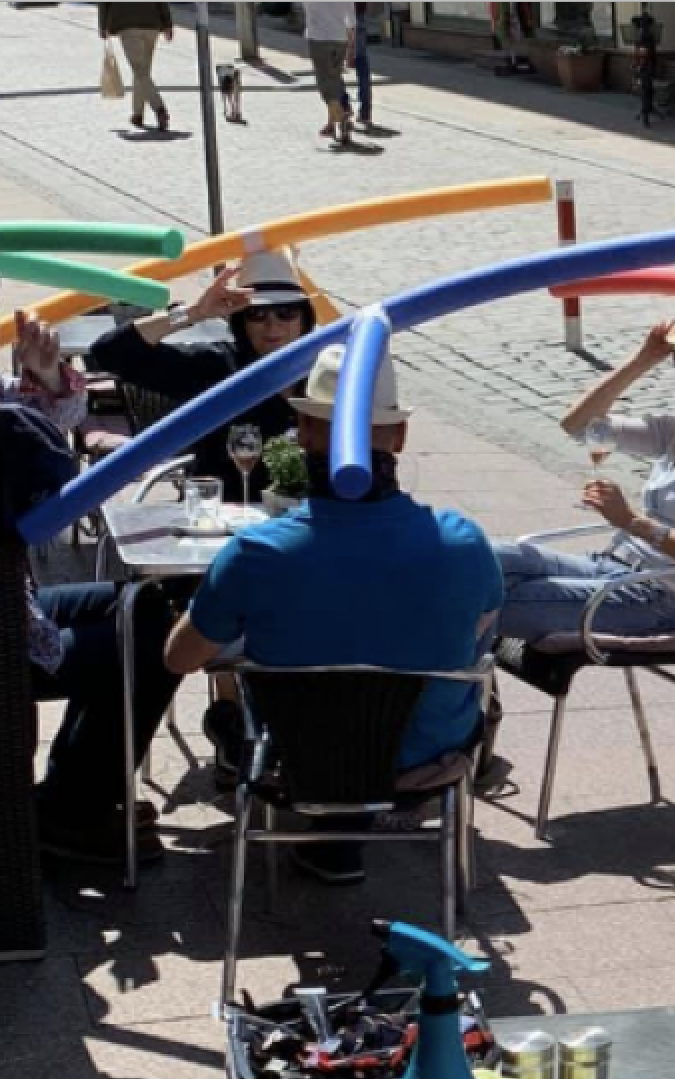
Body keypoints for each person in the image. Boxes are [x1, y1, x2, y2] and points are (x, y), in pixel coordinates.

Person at [163, 346, 503, 884]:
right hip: (427, 759)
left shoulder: (257, 553)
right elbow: (481, 627)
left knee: (229, 708)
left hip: (297, 758)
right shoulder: (464, 543)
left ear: (302, 433)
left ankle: (328, 842)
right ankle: (340, 847)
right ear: (400, 437)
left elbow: (179, 658)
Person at [490, 300, 675, 647]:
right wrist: (643, 359)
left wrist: (631, 522)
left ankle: (453, 695)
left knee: (483, 601)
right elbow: (578, 425)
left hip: (655, 600)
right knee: (486, 558)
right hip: (610, 569)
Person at [1, 404, 183, 864]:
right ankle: (74, 813)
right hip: (10, 642)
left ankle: (73, 792)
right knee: (154, 648)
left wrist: (46, 384)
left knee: (146, 604)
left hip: (19, 610)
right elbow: (34, 648)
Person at [87, 248, 316, 504]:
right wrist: (195, 312)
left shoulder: (330, 370)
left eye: (286, 313)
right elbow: (110, 353)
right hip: (227, 517)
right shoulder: (217, 366)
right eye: (257, 315)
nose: (273, 326)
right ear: (241, 321)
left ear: (304, 319)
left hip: (313, 517)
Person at [100, 2, 173, 133]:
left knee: (140, 72)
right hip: (151, 22)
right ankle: (138, 114)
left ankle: (159, 108)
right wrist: (167, 23)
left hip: (127, 23)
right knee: (142, 72)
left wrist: (103, 25)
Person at [304, 0, 358, 147]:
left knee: (326, 86)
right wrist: (351, 44)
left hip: (319, 39)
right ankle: (333, 124)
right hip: (340, 38)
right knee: (335, 80)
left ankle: (343, 115)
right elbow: (351, 17)